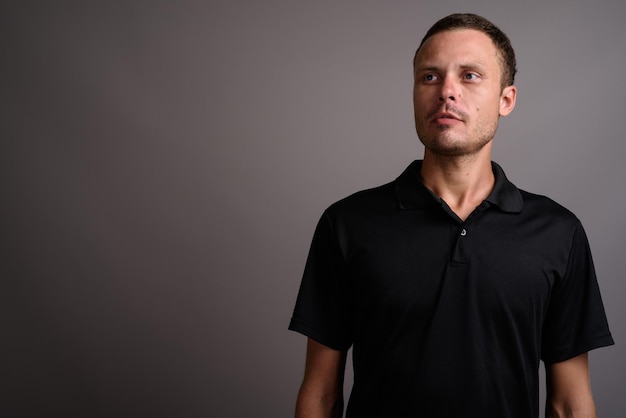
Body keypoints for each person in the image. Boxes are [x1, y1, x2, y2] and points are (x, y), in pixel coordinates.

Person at [289, 13, 614, 418]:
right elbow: (320, 395)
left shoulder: (558, 233)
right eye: (429, 77)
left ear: (506, 99)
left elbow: (569, 404)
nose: (446, 92)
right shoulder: (347, 224)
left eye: (470, 76)